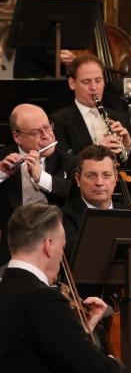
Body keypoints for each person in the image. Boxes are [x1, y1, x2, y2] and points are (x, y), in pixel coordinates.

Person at [0, 204, 124, 373]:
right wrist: (115, 364)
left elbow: (43, 353)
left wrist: (81, 331)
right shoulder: (41, 299)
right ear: (48, 245)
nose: (62, 254)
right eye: (62, 246)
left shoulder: (8, 290)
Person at [0, 104, 76, 265]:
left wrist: (41, 178)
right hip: (11, 249)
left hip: (55, 245)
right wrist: (1, 175)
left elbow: (75, 194)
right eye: (36, 133)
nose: (47, 136)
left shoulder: (68, 161)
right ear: (17, 137)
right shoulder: (2, 160)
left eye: (48, 127)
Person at [11, 0, 100, 79]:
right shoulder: (29, 7)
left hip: (66, 81)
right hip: (33, 78)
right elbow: (26, 44)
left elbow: (91, 30)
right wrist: (56, 55)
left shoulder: (73, 9)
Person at [62, 145, 131, 250]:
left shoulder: (128, 213)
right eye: (91, 175)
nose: (99, 183)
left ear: (116, 178)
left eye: (106, 175)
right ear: (78, 179)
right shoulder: (63, 218)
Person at [51, 53, 131, 158]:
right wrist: (98, 150)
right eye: (86, 82)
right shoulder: (59, 121)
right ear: (72, 83)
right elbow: (63, 162)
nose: (94, 87)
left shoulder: (119, 117)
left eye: (98, 80)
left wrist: (128, 146)